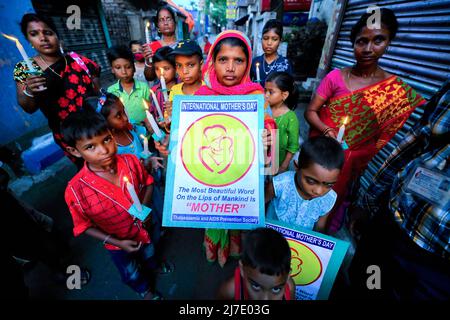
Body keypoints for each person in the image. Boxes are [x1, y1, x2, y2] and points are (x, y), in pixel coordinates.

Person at [305, 8, 426, 234]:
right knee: (306, 193)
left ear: (388, 42)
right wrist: (326, 130)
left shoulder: (394, 90)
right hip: (320, 153)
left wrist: (355, 157)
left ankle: (317, 246)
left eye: (378, 40)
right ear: (353, 44)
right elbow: (310, 112)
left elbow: (382, 136)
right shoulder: (335, 77)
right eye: (362, 41)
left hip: (348, 163)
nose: (369, 48)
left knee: (329, 205)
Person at [347, 80, 450, 300]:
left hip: (438, 267)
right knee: (367, 285)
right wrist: (369, 201)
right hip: (393, 222)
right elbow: (414, 143)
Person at [61, 110, 172, 300]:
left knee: (151, 251)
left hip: (145, 229)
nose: (104, 150)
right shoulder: (76, 191)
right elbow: (84, 226)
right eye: (90, 147)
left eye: (106, 140)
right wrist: (117, 242)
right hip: (117, 243)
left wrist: (143, 209)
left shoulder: (130, 162)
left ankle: (155, 265)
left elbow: (148, 182)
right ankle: (145, 290)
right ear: (74, 151)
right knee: (131, 271)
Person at [195, 30, 269, 267]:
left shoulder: (256, 94)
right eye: (223, 59)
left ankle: (233, 247)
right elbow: (189, 134)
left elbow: (267, 125)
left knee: (235, 211)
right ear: (212, 62)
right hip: (210, 167)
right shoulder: (202, 94)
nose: (230, 67)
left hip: (241, 169)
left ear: (248, 63)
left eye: (238, 60)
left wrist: (267, 137)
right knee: (214, 210)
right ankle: (213, 246)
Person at [14, 13, 101, 167]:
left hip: (96, 125)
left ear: (57, 35)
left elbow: (96, 88)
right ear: (29, 40)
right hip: (68, 134)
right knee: (89, 169)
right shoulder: (25, 69)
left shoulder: (77, 60)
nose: (43, 38)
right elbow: (28, 107)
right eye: (34, 34)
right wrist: (29, 90)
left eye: (48, 32)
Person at [85, 93, 165, 244]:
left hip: (149, 182)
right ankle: (152, 241)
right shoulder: (112, 147)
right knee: (147, 220)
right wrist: (144, 165)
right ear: (105, 123)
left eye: (124, 111)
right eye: (118, 116)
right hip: (136, 191)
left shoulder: (132, 128)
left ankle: (161, 228)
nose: (125, 118)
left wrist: (152, 130)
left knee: (157, 206)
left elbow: (148, 139)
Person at [0, 167, 91, 298]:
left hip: (11, 204)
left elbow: (3, 178)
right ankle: (62, 275)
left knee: (42, 228)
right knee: (35, 242)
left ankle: (61, 263)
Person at [265, 136, 344, 233]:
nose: (318, 191)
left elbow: (320, 228)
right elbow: (257, 210)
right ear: (297, 167)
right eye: (311, 181)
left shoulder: (329, 198)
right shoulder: (279, 185)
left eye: (328, 185)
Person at [217, 227, 295, 300]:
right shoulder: (229, 291)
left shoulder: (290, 287)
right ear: (242, 269)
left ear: (288, 276)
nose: (265, 299)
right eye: (256, 286)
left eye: (276, 289)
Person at [106, 45, 150, 127]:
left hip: (146, 131)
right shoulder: (111, 91)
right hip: (126, 132)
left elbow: (151, 109)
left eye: (128, 67)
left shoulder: (144, 87)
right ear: (112, 69)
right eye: (118, 67)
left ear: (134, 68)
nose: (124, 72)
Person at [264, 71, 300, 173]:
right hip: (261, 161)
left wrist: (284, 166)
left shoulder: (290, 118)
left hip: (278, 165)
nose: (266, 95)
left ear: (284, 95)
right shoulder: (263, 110)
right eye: (265, 90)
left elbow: (293, 146)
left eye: (271, 92)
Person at [165, 40, 205, 119]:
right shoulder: (175, 90)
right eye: (179, 65)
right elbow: (169, 121)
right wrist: (169, 117)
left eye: (190, 65)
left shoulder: (209, 90)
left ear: (201, 65)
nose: (184, 71)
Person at [250, 19, 293, 87]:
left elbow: (289, 88)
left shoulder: (285, 64)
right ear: (261, 39)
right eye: (266, 38)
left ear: (280, 41)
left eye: (274, 39)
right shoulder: (255, 62)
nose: (269, 43)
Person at [143, 5, 179, 82]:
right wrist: (148, 62)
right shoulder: (152, 47)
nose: (165, 23)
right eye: (161, 20)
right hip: (161, 91)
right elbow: (149, 78)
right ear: (158, 25)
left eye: (168, 18)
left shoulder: (183, 45)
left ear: (174, 22)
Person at [150, 46, 178, 125]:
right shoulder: (154, 91)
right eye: (157, 69)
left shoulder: (183, 87)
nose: (161, 73)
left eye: (166, 68)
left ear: (175, 68)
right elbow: (152, 112)